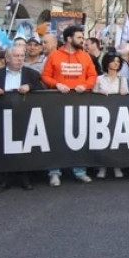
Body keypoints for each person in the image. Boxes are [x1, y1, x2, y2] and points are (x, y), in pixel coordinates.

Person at [40, 26, 97, 187]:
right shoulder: (54, 56)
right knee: (56, 136)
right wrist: (56, 84)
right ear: (68, 39)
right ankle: (54, 172)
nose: (82, 40)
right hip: (57, 102)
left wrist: (85, 86)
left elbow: (92, 76)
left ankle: (80, 171)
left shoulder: (85, 57)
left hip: (80, 102)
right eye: (79, 37)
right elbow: (45, 76)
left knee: (80, 136)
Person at [0, 45, 42, 192]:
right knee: (3, 149)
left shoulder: (32, 74)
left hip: (24, 116)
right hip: (2, 116)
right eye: (16, 56)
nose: (20, 59)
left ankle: (25, 178)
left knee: (24, 148)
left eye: (22, 56)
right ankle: (4, 180)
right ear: (7, 59)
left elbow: (42, 89)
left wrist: (30, 87)